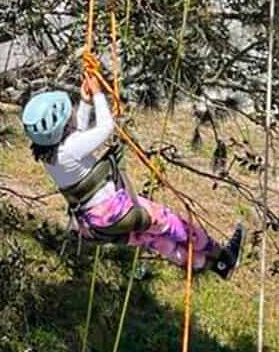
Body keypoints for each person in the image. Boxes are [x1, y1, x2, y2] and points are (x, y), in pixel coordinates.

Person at [23, 75, 243, 278]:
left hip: (98, 224)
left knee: (157, 241)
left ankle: (213, 266)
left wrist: (86, 102)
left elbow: (77, 134)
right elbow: (105, 127)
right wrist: (99, 95)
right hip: (119, 211)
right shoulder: (69, 149)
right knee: (171, 224)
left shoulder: (50, 155)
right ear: (61, 125)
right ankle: (221, 255)